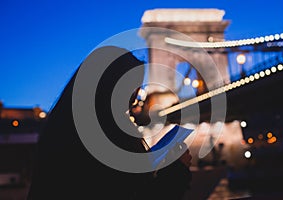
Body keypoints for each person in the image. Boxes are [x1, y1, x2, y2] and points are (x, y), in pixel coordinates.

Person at [27, 46, 192, 200]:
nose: (137, 100)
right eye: (134, 88)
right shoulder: (107, 139)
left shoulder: (63, 129)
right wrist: (177, 171)